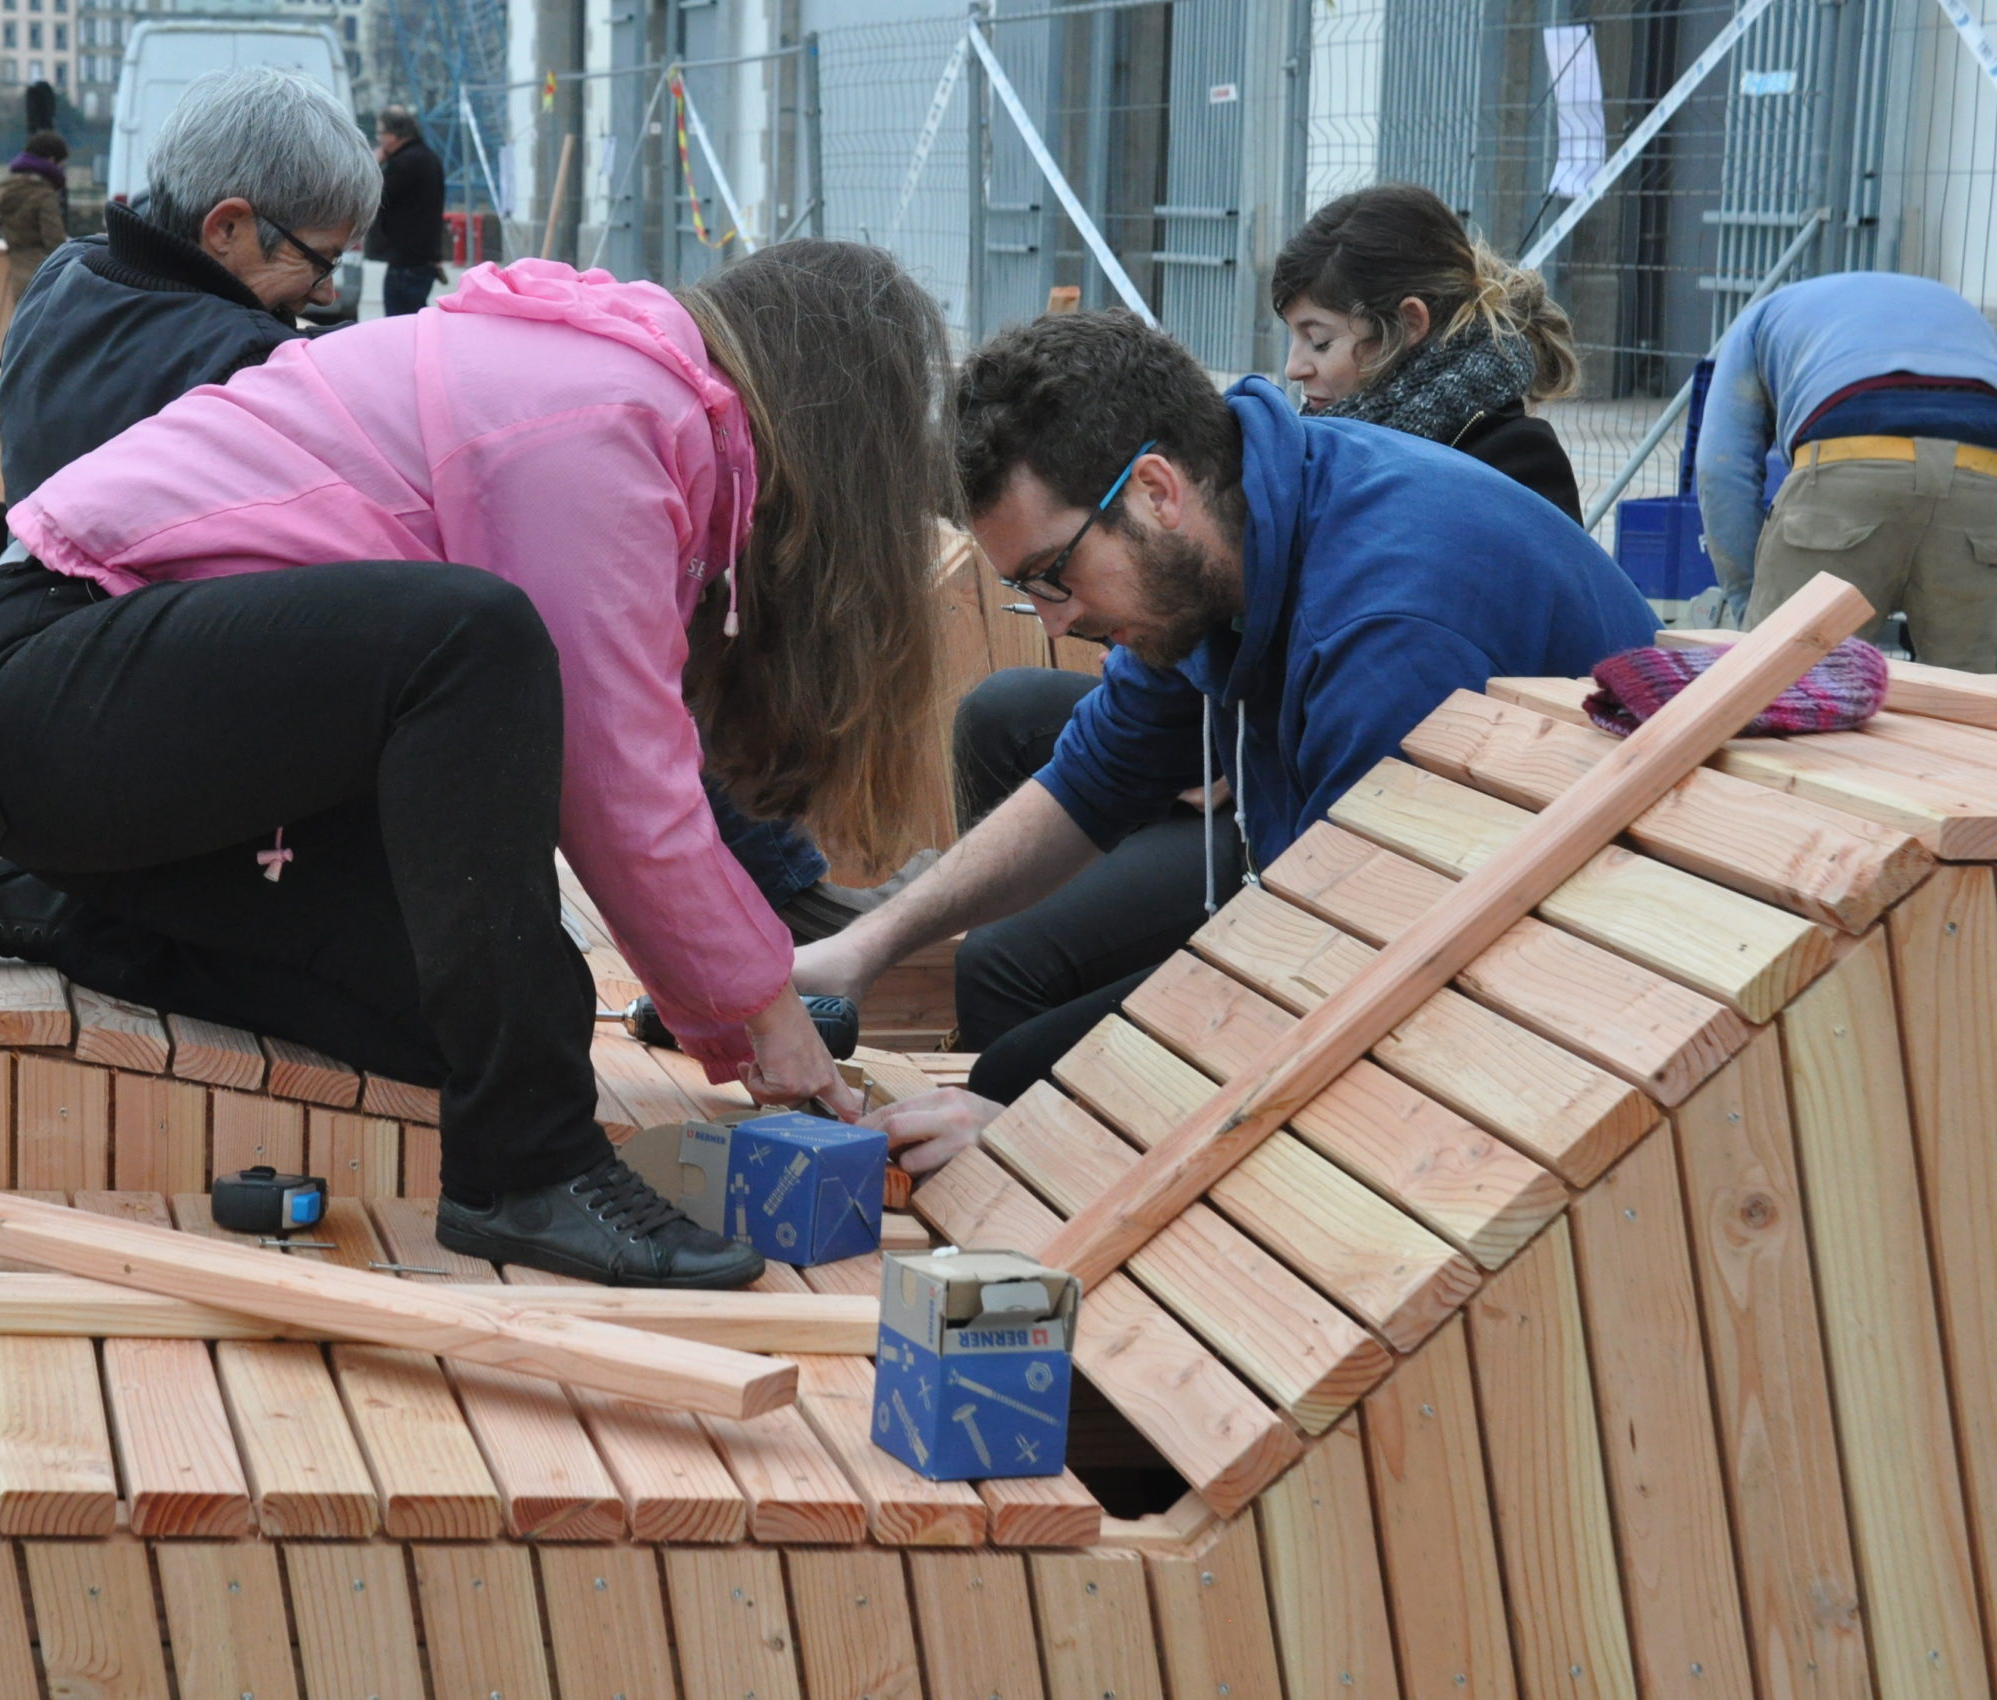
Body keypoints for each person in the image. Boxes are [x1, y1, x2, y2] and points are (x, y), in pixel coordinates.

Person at [0, 242, 952, 1287]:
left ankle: (80, 909)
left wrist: (732, 1012)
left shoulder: (631, 397)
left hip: (109, 739)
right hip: (30, 680)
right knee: (474, 640)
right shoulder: (610, 410)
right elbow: (612, 764)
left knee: (493, 1007)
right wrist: (760, 1007)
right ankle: (524, 1173)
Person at [794, 311, 1659, 1176]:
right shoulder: (1228, 533)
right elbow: (1091, 781)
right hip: (1359, 922)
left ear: (1155, 491)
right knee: (1016, 1072)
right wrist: (862, 949)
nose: (1055, 625)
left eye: (1052, 578)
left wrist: (1042, 1142)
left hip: (1552, 1023)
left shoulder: (1385, 630)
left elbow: (1354, 985)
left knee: (1019, 1091)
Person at [0, 66, 378, 505]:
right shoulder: (244, 367)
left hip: (32, 566)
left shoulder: (65, 270)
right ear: (227, 228)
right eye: (320, 260)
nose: (325, 292)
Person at [1697, 272, 1997, 668]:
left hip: (1847, 468)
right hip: (1984, 480)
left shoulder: (1757, 321)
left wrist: (1750, 602)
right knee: (1973, 706)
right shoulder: (1959, 311)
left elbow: (1722, 471)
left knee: (1784, 687)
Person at [1272, 183, 1583, 520]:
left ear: (1408, 323)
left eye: (1319, 342)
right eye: (1294, 338)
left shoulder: (1515, 466)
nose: (1293, 368)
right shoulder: (1316, 450)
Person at [367, 105, 445, 317]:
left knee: (400, 323)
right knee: (412, 319)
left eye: (381, 133)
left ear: (395, 135)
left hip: (407, 261)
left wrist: (373, 165)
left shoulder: (406, 163)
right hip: (419, 258)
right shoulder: (426, 157)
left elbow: (374, 195)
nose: (380, 139)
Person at [0, 129, 70, 302]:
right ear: (51, 160)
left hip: (15, 273)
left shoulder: (7, 189)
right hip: (42, 277)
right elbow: (55, 243)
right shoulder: (43, 195)